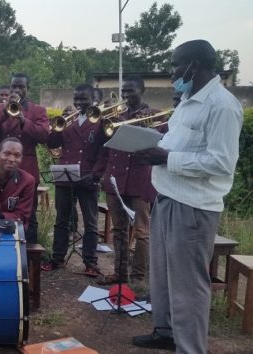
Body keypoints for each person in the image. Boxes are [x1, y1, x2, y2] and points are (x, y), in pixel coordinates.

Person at [132, 40, 243, 353]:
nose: (171, 74)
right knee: (164, 275)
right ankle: (166, 332)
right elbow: (177, 141)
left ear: (194, 65)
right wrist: (152, 142)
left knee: (189, 286)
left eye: (175, 66)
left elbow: (221, 162)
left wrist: (165, 158)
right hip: (167, 196)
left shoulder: (222, 105)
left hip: (193, 207)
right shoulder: (188, 100)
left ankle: (191, 348)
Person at [97, 76, 159, 286]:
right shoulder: (116, 117)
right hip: (116, 180)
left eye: (130, 91)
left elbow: (162, 142)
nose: (125, 95)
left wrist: (148, 125)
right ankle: (120, 273)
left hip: (140, 181)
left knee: (142, 232)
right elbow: (105, 146)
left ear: (142, 90)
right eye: (123, 91)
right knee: (119, 230)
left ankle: (138, 278)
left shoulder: (154, 116)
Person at [42, 84, 106, 277]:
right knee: (62, 220)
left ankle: (90, 262)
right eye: (76, 99)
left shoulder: (101, 121)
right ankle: (57, 258)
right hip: (66, 176)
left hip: (88, 178)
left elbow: (105, 151)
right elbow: (53, 144)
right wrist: (56, 128)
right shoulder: (68, 121)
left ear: (93, 99)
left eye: (83, 99)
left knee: (91, 222)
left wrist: (96, 174)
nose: (78, 102)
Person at [0, 73, 49, 244]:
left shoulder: (37, 110)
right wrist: (5, 112)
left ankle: (28, 254)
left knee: (28, 213)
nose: (17, 90)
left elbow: (43, 136)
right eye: (14, 87)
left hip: (25, 168)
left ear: (28, 89)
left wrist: (23, 120)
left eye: (21, 87)